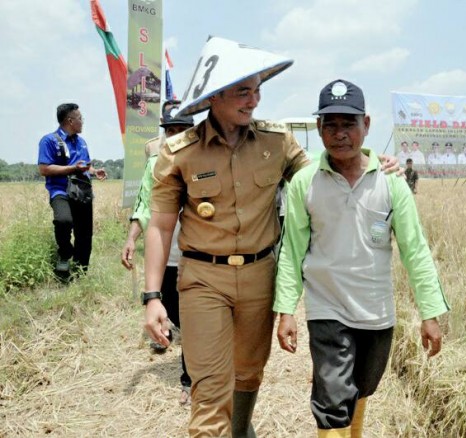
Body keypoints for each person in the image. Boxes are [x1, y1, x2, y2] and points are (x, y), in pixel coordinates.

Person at [141, 38, 400, 438]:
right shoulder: (180, 153)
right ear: (215, 96)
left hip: (261, 275)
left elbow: (321, 176)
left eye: (257, 89)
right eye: (243, 91)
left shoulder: (277, 142)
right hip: (203, 280)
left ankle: (241, 430)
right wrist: (153, 296)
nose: (254, 100)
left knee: (248, 373)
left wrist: (371, 163)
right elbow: (160, 226)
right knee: (209, 387)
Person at [274, 79, 450, 438]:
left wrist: (429, 313)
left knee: (361, 389)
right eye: (331, 125)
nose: (340, 134)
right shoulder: (304, 183)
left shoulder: (392, 183)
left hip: (375, 312)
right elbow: (291, 251)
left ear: (366, 126)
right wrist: (286, 309)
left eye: (349, 124)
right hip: (327, 309)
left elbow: (414, 251)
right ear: (320, 128)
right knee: (331, 401)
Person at [121, 104, 195, 405]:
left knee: (194, 320)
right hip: (167, 257)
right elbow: (143, 207)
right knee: (177, 316)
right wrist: (131, 238)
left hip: (199, 256)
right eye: (171, 131)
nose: (176, 138)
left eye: (182, 131)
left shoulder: (206, 161)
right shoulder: (155, 165)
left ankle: (191, 381)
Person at [38, 103, 106, 277]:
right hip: (60, 190)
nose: (82, 122)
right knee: (63, 221)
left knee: (84, 233)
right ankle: (65, 254)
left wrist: (94, 171)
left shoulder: (81, 142)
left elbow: (84, 166)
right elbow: (44, 169)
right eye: (80, 118)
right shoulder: (49, 141)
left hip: (81, 191)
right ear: (70, 120)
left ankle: (80, 271)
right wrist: (72, 169)